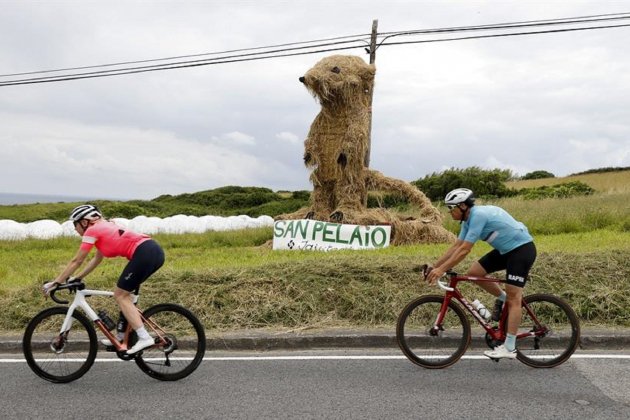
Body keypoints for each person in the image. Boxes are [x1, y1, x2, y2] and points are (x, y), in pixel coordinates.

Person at [426, 188, 536, 359]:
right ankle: (503, 299)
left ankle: (509, 347)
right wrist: (435, 266)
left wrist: (441, 270)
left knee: (515, 298)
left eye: (451, 208)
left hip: (521, 250)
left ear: (462, 206)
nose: (449, 212)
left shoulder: (478, 216)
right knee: (475, 272)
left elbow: (464, 250)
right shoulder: (467, 221)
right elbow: (456, 246)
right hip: (506, 250)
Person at [43, 204, 165, 355]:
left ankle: (144, 337)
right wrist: (77, 278)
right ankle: (121, 338)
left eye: (75, 224)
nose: (75, 229)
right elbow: (96, 259)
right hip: (150, 251)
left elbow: (77, 261)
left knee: (120, 295)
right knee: (125, 296)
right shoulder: (104, 228)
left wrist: (56, 282)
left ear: (84, 222)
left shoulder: (93, 230)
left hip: (145, 253)